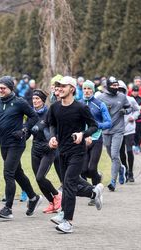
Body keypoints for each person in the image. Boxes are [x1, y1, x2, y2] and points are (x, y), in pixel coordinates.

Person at [48, 76, 103, 234]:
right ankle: (93, 192)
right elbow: (52, 123)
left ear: (72, 88)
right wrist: (52, 137)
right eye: (58, 86)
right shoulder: (55, 107)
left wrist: (83, 134)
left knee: (69, 184)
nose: (60, 89)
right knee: (66, 185)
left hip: (77, 152)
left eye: (63, 86)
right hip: (62, 151)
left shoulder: (81, 108)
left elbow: (94, 126)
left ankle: (67, 221)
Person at [0, 75, 42, 220]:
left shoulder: (19, 102)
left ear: (10, 88)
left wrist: (24, 129)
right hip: (3, 143)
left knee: (8, 173)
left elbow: (34, 116)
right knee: (17, 173)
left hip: (17, 143)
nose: (0, 91)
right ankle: (33, 197)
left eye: (3, 88)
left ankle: (8, 208)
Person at [29, 89, 62, 214]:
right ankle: (52, 203)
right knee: (38, 180)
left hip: (49, 149)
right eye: (33, 99)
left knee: (40, 177)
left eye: (37, 99)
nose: (35, 101)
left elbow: (56, 129)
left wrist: (54, 141)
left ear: (43, 100)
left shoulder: (49, 113)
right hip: (35, 148)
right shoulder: (31, 113)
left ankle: (57, 195)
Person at [97, 76, 131, 191]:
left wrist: (125, 111)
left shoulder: (122, 97)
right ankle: (121, 169)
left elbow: (129, 108)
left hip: (118, 130)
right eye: (114, 86)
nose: (116, 87)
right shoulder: (101, 97)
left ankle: (113, 181)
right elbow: (96, 112)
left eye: (117, 85)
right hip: (106, 130)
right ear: (108, 86)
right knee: (110, 155)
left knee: (115, 154)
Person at [80, 80, 111, 206]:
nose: (87, 91)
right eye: (85, 89)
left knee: (92, 168)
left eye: (89, 89)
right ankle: (96, 185)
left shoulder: (99, 104)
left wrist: (96, 125)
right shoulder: (79, 104)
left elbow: (109, 122)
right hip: (83, 139)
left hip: (97, 138)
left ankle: (94, 196)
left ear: (93, 90)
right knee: (83, 171)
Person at [118, 80, 140, 182]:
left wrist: (133, 117)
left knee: (129, 150)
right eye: (118, 90)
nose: (120, 92)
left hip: (130, 128)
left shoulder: (130, 100)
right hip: (118, 129)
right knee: (121, 152)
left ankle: (131, 172)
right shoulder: (114, 101)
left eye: (122, 90)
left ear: (125, 90)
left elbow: (137, 110)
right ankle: (125, 169)